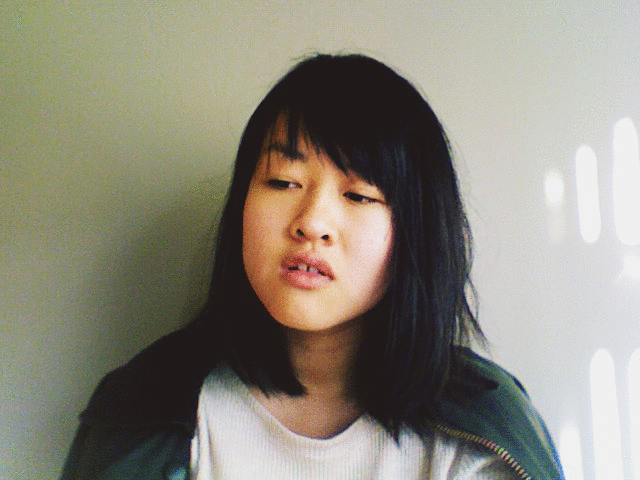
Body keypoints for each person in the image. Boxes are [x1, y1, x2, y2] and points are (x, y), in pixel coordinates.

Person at [60, 54, 565, 479]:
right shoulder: (143, 411)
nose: (312, 223)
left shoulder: (479, 442)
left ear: (417, 232)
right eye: (283, 182)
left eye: (359, 194)